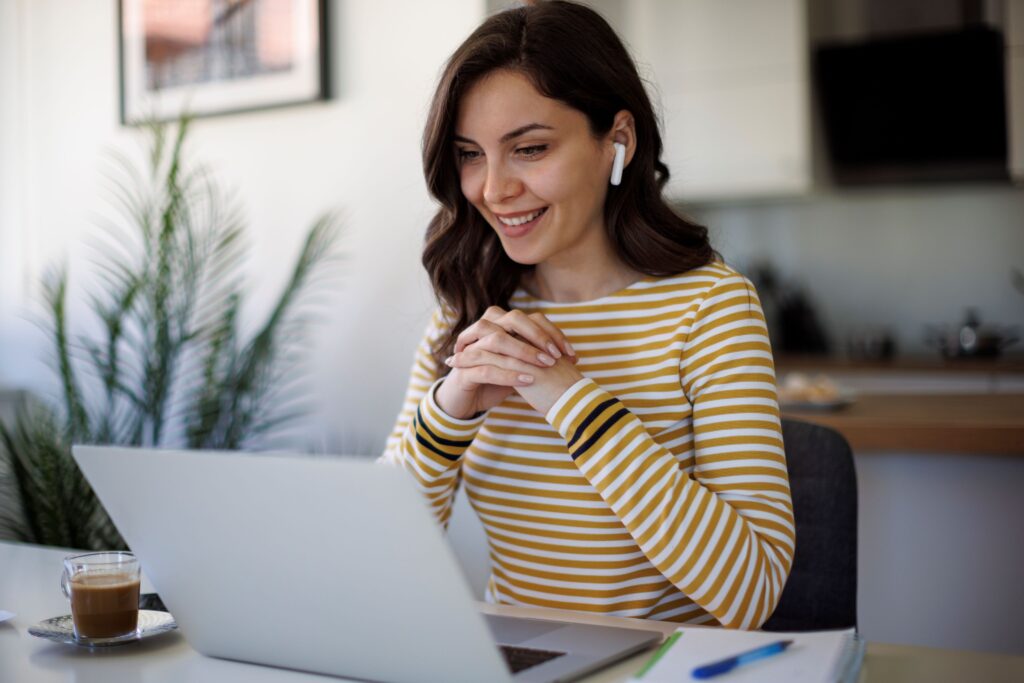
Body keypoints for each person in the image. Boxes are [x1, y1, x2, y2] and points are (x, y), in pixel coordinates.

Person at [380, 0, 794, 629]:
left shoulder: (711, 308)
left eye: (530, 149)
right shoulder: (466, 311)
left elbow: (751, 591)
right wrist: (450, 405)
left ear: (617, 141)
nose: (492, 189)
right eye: (470, 155)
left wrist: (569, 398)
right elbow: (382, 549)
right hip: (516, 666)